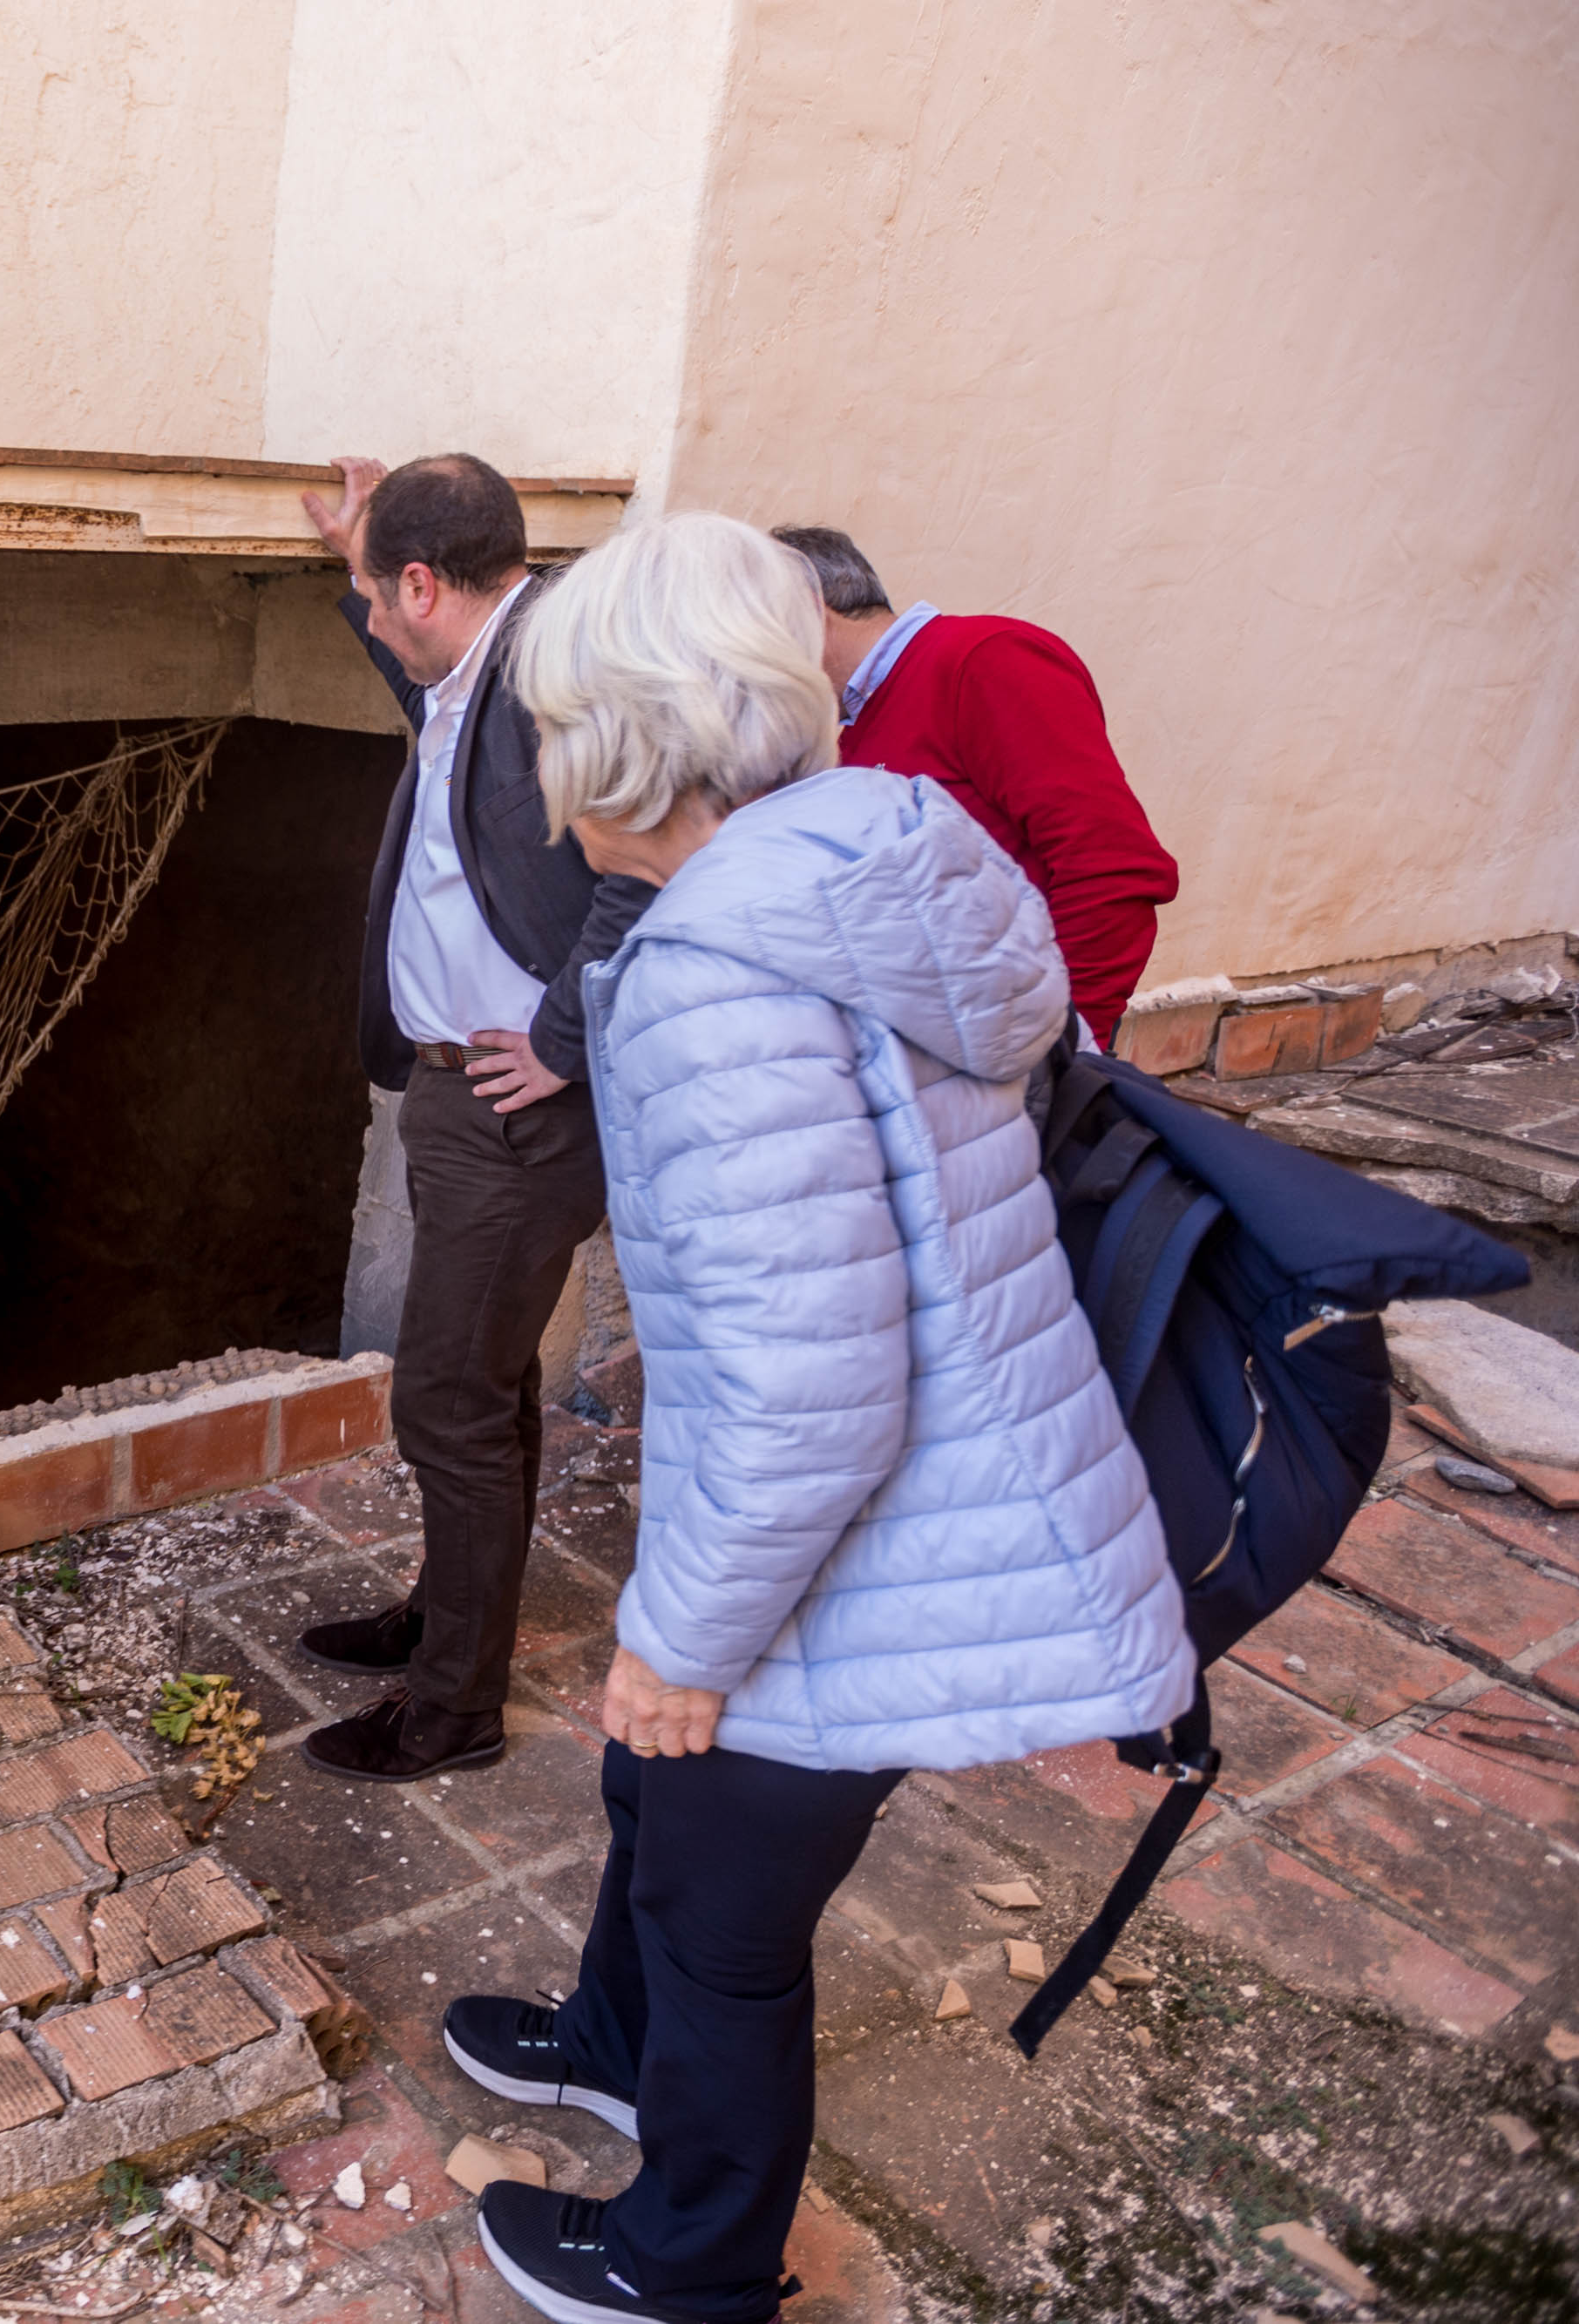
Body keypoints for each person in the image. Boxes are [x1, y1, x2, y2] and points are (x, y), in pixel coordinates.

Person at [437, 512, 1194, 2324]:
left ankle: (686, 2255)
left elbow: (805, 1388)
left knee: (720, 1897)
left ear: (623, 738)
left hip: (860, 1526)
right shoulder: (872, 857)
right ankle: (606, 2047)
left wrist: (682, 1636)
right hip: (925, 1471)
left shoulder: (711, 971)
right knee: (653, 1791)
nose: (541, 769)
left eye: (551, 725)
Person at [291, 456, 656, 1784]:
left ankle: (452, 1708)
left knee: (445, 1394)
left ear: (430, 584)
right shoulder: (476, 666)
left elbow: (650, 868)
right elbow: (426, 696)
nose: (379, 624)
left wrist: (562, 1042)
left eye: (386, 598)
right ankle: (445, 1616)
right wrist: (355, 563)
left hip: (517, 1116)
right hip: (457, 1094)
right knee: (483, 1385)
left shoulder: (562, 678)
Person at [769, 526, 1178, 1042]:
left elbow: (1111, 871)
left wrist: (1064, 1046)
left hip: (1023, 1048)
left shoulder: (984, 658)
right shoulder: (853, 720)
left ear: (805, 611)